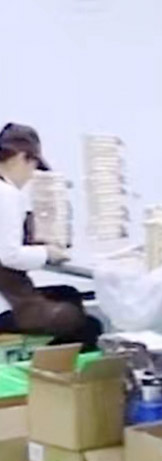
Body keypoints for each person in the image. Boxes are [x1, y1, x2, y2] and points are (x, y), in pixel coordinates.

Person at [0, 123, 102, 350]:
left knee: (68, 294)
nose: (31, 174)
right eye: (33, 164)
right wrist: (48, 253)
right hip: (6, 304)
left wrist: (39, 245)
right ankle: (47, 375)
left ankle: (46, 367)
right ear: (20, 157)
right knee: (89, 326)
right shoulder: (6, 195)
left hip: (9, 295)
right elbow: (9, 256)